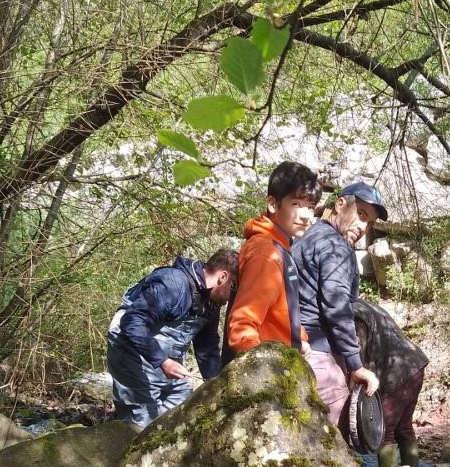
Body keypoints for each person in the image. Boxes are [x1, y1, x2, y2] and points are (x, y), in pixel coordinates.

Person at [107, 249, 238, 427]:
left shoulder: (211, 303)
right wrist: (163, 361)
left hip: (165, 363)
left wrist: (217, 384)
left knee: (184, 413)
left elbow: (207, 348)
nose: (231, 297)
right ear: (223, 277)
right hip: (131, 352)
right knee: (143, 423)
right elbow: (132, 322)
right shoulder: (173, 283)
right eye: (233, 287)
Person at [290, 181, 384, 428]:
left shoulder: (306, 237)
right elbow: (337, 307)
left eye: (369, 223)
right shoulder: (336, 246)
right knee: (334, 438)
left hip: (297, 351)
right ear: (340, 204)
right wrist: (356, 365)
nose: (363, 227)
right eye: (361, 214)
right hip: (321, 358)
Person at [226, 161, 321, 357]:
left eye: (310, 207)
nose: (306, 216)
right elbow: (242, 325)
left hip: (282, 359)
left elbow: (281, 309)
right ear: (272, 204)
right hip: (268, 367)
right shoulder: (266, 252)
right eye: (296, 204)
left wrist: (299, 339)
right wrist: (263, 367)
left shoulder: (280, 247)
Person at [352, 298, 428, 467]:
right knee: (403, 427)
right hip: (415, 364)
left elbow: (358, 357)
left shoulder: (355, 314)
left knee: (384, 430)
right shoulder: (366, 305)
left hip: (397, 371)